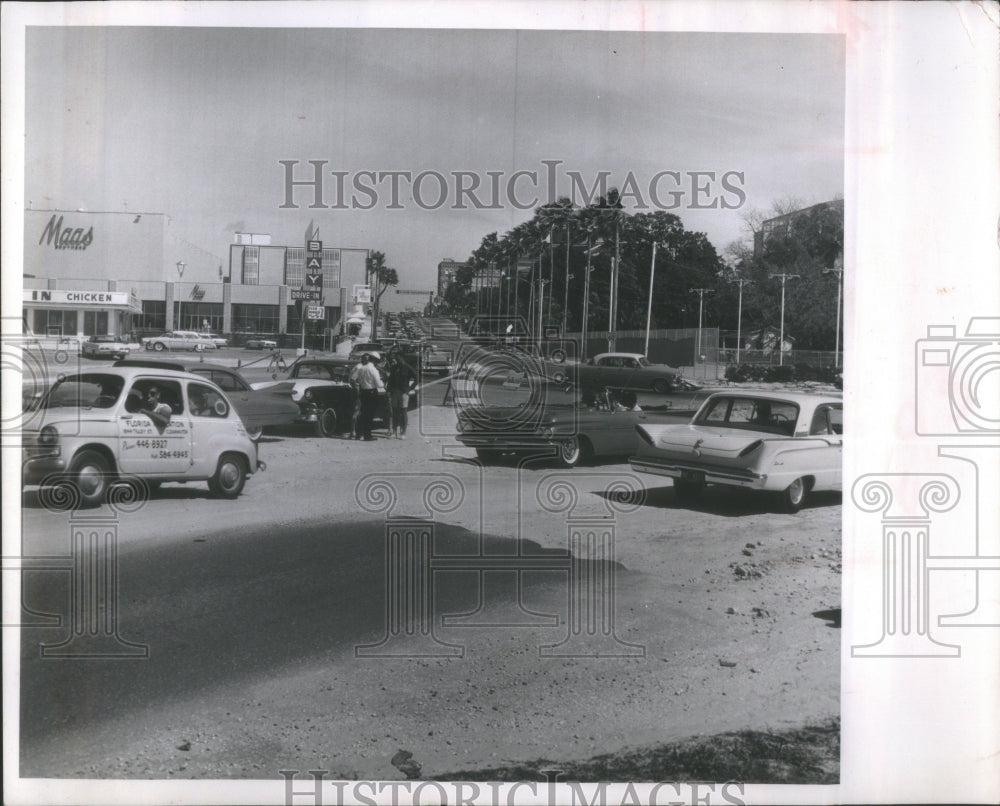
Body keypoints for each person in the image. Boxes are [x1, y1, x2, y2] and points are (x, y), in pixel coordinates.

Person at [350, 353, 382, 441]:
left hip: (363, 392)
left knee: (362, 413)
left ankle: (358, 434)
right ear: (375, 361)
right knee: (369, 414)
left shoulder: (361, 368)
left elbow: (354, 379)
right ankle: (367, 435)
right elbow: (379, 384)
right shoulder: (373, 369)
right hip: (371, 392)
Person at [385, 353, 416, 439]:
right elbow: (390, 380)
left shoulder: (408, 368)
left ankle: (403, 432)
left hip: (404, 392)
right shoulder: (394, 368)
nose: (398, 361)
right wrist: (388, 390)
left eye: (399, 359)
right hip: (394, 392)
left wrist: (410, 388)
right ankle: (394, 431)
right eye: (397, 359)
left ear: (403, 359)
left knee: (403, 412)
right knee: (394, 412)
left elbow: (417, 377)